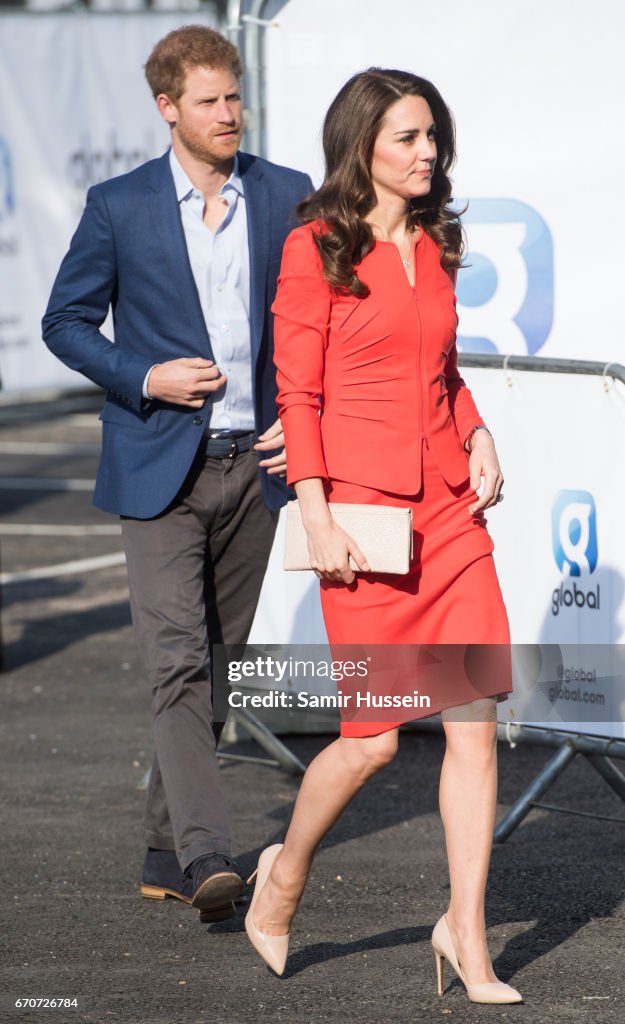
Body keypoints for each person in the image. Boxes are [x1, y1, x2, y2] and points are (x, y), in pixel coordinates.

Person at [244, 69, 522, 1004]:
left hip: (450, 515)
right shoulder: (312, 247)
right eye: (408, 137)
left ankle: (468, 938)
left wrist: (478, 431)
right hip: (361, 522)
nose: (427, 152)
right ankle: (283, 874)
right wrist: (314, 511)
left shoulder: (438, 245)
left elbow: (440, 372)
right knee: (367, 741)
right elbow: (300, 395)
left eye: (432, 136)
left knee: (474, 732)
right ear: (362, 143)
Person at [42, 25, 312, 925]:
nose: (229, 114)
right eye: (209, 101)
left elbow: (312, 323)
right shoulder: (117, 205)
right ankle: (205, 855)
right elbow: (66, 321)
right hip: (159, 464)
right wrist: (143, 374)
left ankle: (164, 846)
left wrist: (299, 420)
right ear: (167, 109)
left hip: (255, 467)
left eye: (234, 97)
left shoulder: (285, 194)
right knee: (177, 663)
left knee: (219, 670)